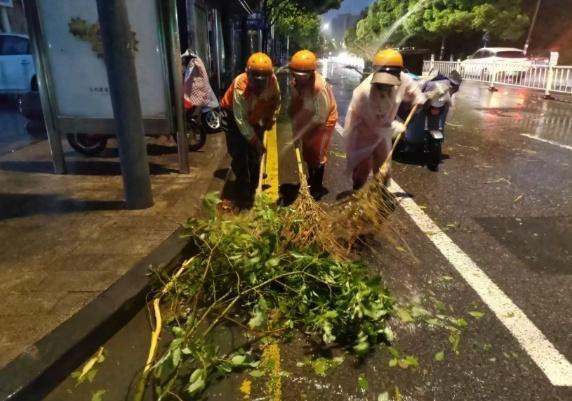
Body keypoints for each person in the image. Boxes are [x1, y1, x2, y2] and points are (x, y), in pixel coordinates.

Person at [342, 48, 427, 190]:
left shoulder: (403, 79)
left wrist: (418, 98)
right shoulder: (364, 93)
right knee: (362, 168)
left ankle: (379, 195)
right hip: (363, 133)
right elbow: (374, 125)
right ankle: (358, 192)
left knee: (384, 166)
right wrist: (394, 127)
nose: (386, 84)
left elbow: (413, 89)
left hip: (384, 132)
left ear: (398, 73)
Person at [220, 52, 281, 201]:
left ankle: (254, 185)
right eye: (256, 81)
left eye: (263, 81)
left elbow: (276, 101)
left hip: (254, 112)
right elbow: (240, 120)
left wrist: (270, 119)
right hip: (232, 115)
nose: (259, 86)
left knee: (255, 153)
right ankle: (242, 193)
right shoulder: (240, 86)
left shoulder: (273, 82)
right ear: (248, 75)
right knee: (239, 152)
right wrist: (254, 140)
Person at [288, 50, 338, 199]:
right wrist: (295, 130)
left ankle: (316, 187)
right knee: (308, 152)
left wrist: (303, 131)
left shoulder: (319, 87)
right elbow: (295, 107)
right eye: (297, 74)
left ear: (311, 72)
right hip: (308, 116)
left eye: (304, 75)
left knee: (317, 153)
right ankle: (311, 179)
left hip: (323, 120)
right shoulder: (295, 83)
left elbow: (320, 117)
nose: (300, 78)